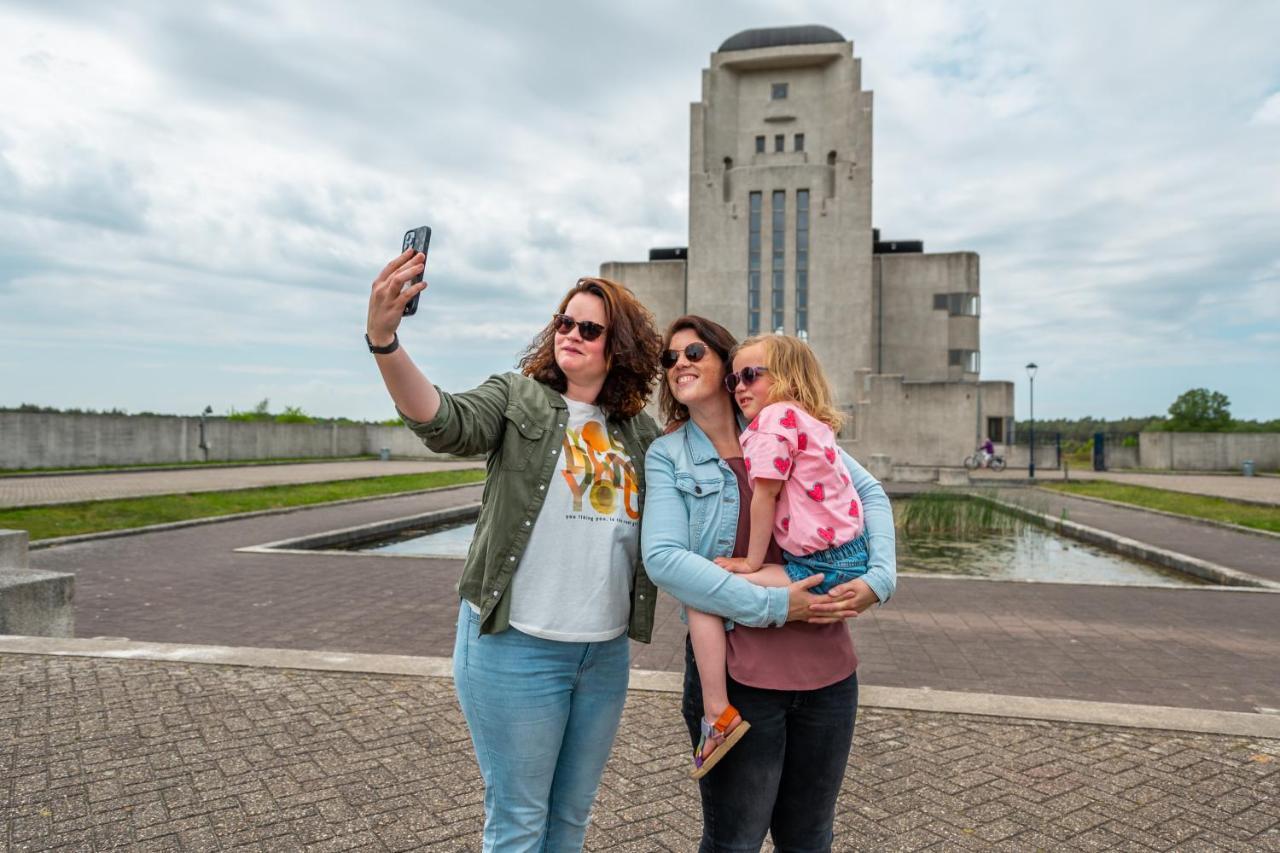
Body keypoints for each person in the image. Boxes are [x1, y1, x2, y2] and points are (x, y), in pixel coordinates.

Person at [365, 247, 663, 852]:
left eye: (589, 328)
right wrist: (384, 341)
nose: (570, 334)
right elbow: (442, 420)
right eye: (564, 321)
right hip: (515, 647)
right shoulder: (516, 397)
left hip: (601, 655)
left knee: (570, 820)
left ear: (619, 347)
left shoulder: (640, 434)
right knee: (520, 821)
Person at [642, 316, 896, 852]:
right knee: (735, 840)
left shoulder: (786, 422)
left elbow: (870, 494)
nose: (679, 365)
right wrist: (778, 605)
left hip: (828, 678)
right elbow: (663, 559)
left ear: (726, 361)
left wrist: (879, 579)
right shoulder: (669, 455)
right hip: (740, 684)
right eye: (670, 359)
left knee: (808, 838)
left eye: (693, 353)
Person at [682, 333, 873, 777]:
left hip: (819, 566)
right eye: (734, 379)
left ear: (787, 377)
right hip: (848, 554)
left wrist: (748, 564)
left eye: (751, 375)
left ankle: (717, 716)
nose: (741, 387)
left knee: (703, 591)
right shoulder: (810, 421)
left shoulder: (774, 422)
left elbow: (763, 496)